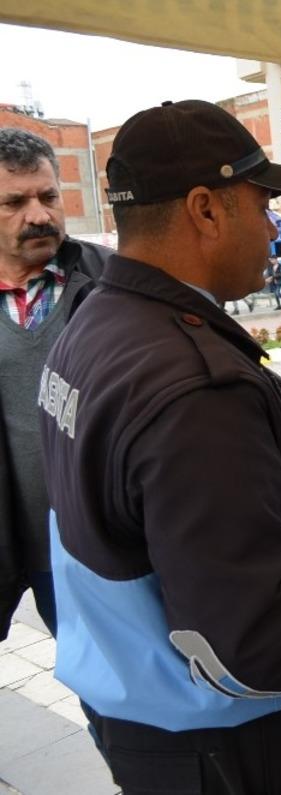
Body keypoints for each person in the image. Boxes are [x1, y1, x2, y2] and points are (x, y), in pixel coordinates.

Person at [39, 99, 281, 794]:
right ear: (206, 210)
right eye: (264, 203)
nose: (274, 228)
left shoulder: (93, 321)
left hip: (137, 708)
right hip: (218, 737)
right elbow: (248, 631)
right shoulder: (193, 387)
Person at [0, 127, 109, 639]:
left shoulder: (113, 279)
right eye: (14, 202)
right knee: (85, 676)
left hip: (113, 541)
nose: (39, 215)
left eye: (48, 196)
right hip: (27, 546)